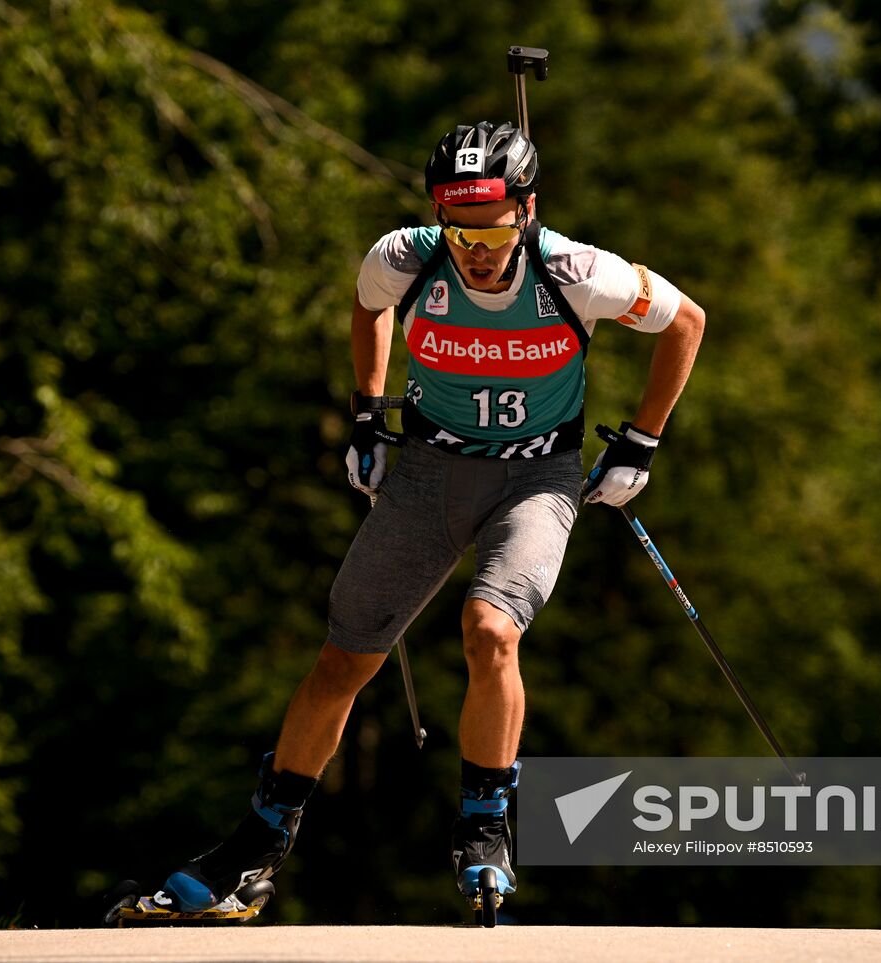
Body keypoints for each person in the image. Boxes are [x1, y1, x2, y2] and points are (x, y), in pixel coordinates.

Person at [156, 120, 706, 913]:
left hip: (534, 478)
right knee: (345, 658)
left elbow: (686, 321)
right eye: (458, 227)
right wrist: (368, 414)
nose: (475, 247)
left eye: (490, 226)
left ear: (527, 208)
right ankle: (256, 846)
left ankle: (485, 827)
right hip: (428, 471)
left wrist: (643, 442)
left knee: (490, 628)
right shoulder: (405, 257)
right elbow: (368, 304)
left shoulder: (578, 271)